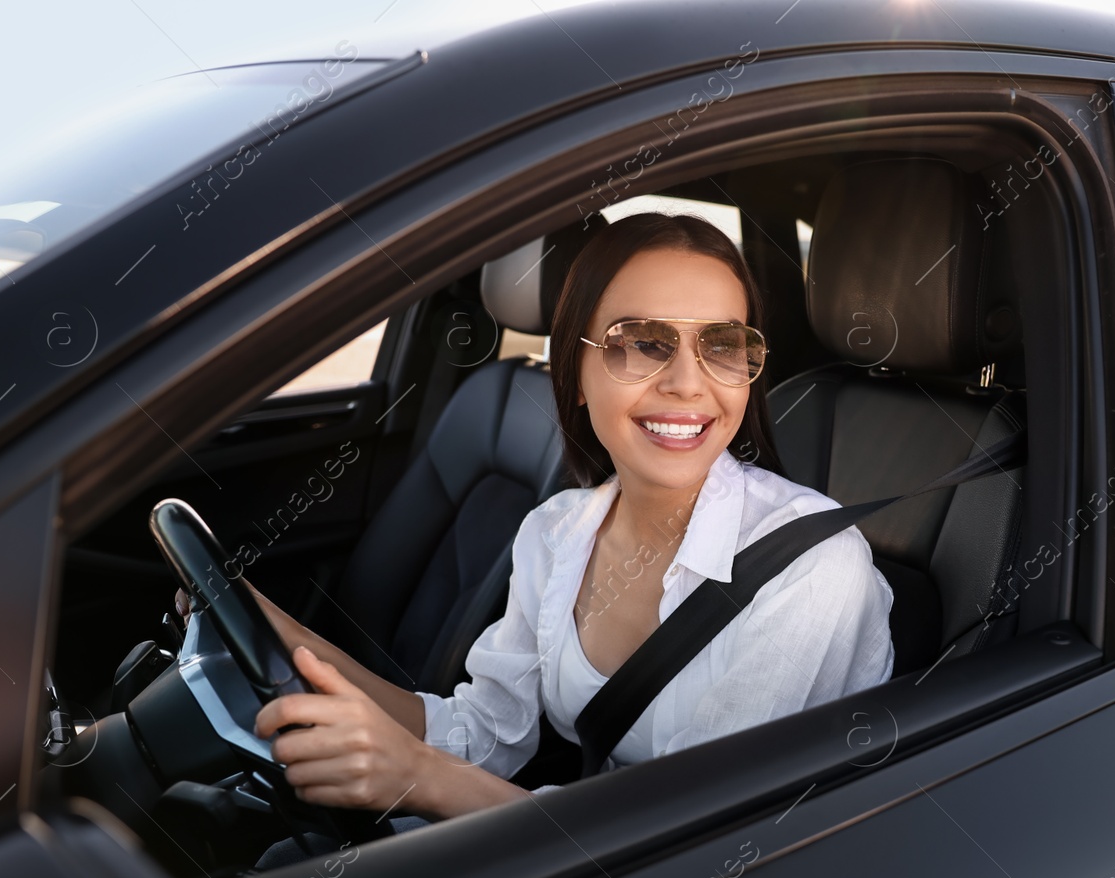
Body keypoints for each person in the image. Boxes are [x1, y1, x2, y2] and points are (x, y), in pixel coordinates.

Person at [180, 211, 895, 829]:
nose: (686, 382)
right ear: (573, 372)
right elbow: (484, 733)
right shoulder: (556, 532)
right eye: (642, 342)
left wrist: (416, 777)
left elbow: (684, 838)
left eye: (721, 344)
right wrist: (290, 636)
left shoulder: (809, 569)